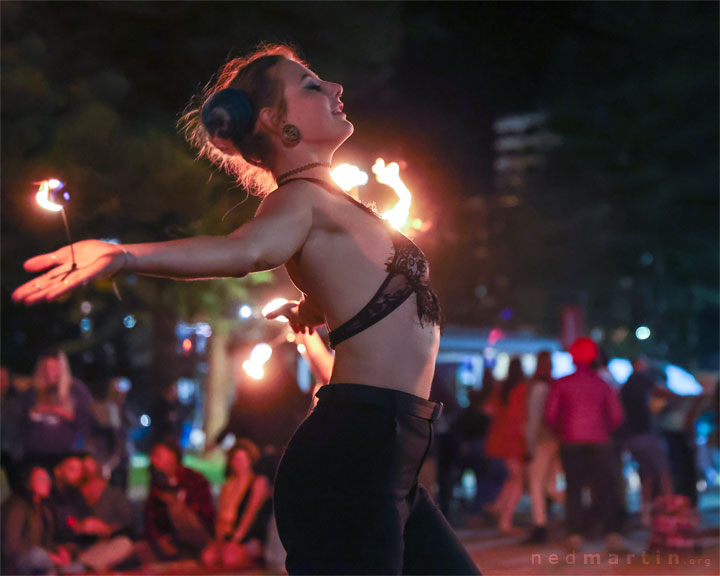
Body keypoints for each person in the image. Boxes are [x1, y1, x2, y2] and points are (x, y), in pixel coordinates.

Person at [13, 43, 479, 575]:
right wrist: (121, 255)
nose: (336, 89)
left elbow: (358, 303)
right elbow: (243, 250)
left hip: (389, 455)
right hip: (356, 452)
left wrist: (318, 315)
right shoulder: (298, 198)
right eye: (310, 84)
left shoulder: (332, 204)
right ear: (276, 123)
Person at [544, 337, 625, 552]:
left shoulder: (562, 383)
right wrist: (603, 430)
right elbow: (617, 416)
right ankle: (612, 534)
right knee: (605, 488)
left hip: (570, 441)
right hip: (600, 441)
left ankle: (574, 535)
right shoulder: (602, 384)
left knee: (574, 488)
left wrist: (561, 432)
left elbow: (550, 415)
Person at [201, 439, 272, 569]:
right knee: (208, 557)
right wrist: (219, 540)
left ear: (250, 460)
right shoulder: (228, 484)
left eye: (242, 459)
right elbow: (221, 514)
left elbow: (250, 515)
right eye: (235, 459)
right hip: (227, 533)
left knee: (230, 559)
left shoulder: (257, 483)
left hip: (248, 536)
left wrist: (236, 539)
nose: (238, 463)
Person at [619, 357, 673, 525]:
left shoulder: (626, 385)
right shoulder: (641, 379)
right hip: (645, 435)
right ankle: (671, 512)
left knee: (647, 476)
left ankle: (646, 515)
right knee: (663, 474)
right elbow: (661, 391)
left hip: (631, 436)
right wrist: (686, 397)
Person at [18, 349, 94, 464]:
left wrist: (62, 413)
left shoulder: (75, 390)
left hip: (68, 455)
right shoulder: (31, 392)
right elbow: (21, 423)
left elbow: (86, 423)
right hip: (35, 456)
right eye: (47, 368)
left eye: (54, 368)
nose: (50, 373)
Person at [144, 437, 214, 559]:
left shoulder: (195, 480)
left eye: (158, 455)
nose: (153, 459)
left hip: (196, 536)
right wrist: (159, 538)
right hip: (170, 539)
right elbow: (150, 517)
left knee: (175, 508)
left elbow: (205, 513)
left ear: (172, 456)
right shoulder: (157, 483)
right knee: (142, 549)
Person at [484, 357, 528, 533]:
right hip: (514, 441)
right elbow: (519, 416)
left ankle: (498, 506)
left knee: (513, 479)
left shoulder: (501, 388)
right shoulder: (521, 390)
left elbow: (488, 409)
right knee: (517, 481)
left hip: (498, 439)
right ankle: (504, 518)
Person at [524, 351, 562, 543]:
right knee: (550, 484)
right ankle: (583, 510)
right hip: (558, 438)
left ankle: (540, 525)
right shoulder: (554, 384)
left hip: (542, 440)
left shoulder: (538, 387)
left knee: (537, 483)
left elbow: (533, 418)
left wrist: (529, 444)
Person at [1, 465, 68, 575]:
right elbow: (11, 546)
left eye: (48, 479)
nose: (46, 482)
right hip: (18, 562)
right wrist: (48, 556)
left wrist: (58, 550)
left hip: (38, 559)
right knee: (40, 556)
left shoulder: (44, 510)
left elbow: (45, 542)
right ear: (29, 482)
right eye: (41, 479)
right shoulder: (17, 506)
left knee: (73, 563)